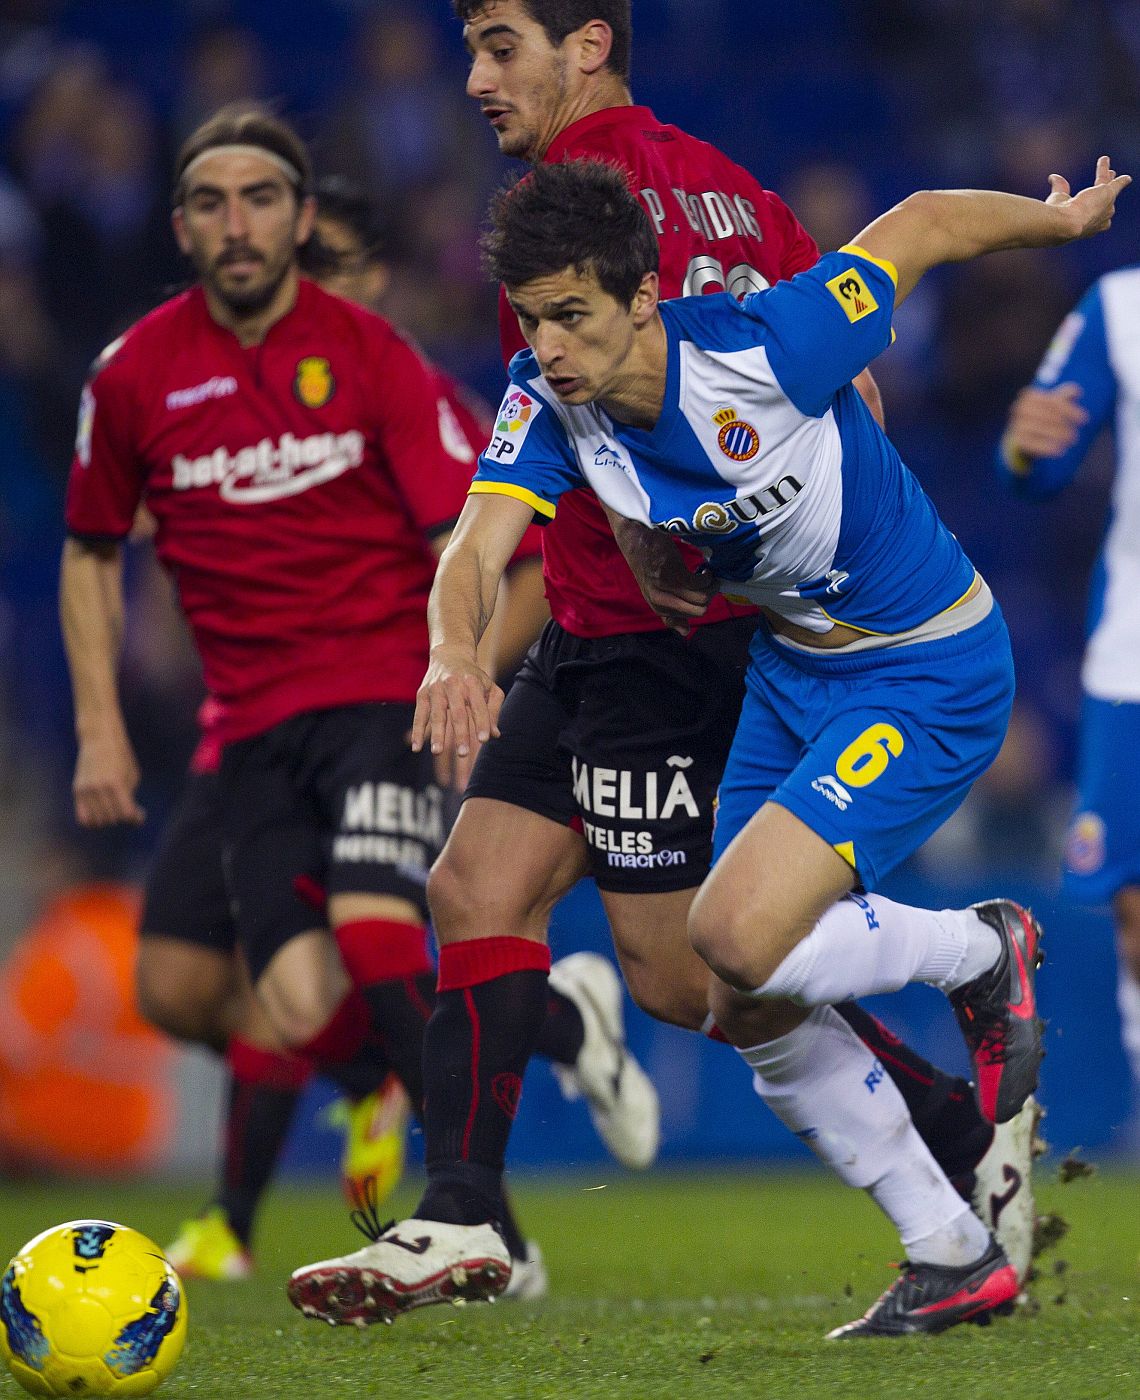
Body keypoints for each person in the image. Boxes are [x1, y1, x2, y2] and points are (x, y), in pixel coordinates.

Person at [286, 0, 1039, 1318]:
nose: (475, 78)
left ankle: (951, 1128)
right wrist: (464, 644)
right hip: (589, 632)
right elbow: (838, 381)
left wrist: (723, 555)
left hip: (662, 650)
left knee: (696, 971)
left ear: (588, 44)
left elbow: (750, 394)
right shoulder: (728, 194)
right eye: (467, 47)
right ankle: (468, 1218)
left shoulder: (594, 218)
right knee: (475, 887)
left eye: (501, 45)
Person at [60, 106, 655, 1295]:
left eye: (263, 199)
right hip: (249, 724)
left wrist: (460, 671)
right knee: (273, 997)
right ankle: (561, 1023)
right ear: (180, 227)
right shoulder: (133, 376)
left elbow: (483, 543)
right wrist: (99, 723)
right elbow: (88, 548)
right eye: (213, 204)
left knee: (381, 931)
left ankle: (477, 1221)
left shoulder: (376, 358)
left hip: (381, 691)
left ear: (300, 218)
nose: (239, 225)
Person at [998, 262, 1140, 1143]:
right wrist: (1024, 443)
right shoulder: (1121, 306)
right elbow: (1033, 469)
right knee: (1134, 907)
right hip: (1135, 651)